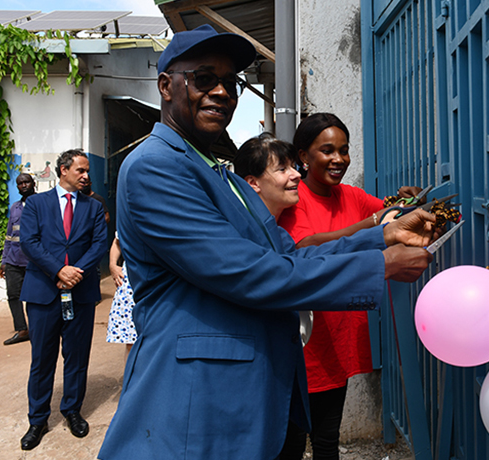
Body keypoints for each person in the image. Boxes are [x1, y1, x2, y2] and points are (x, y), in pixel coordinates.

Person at [97, 25, 435, 460]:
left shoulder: (219, 173)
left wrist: (381, 236)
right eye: (204, 78)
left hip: (246, 391)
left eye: (230, 82)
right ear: (166, 86)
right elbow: (248, 273)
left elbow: (287, 255)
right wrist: (381, 265)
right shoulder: (155, 168)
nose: (221, 92)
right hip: (197, 404)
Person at [279, 113, 416, 459]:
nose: (339, 159)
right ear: (303, 156)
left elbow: (388, 213)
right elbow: (304, 248)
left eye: (344, 150)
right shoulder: (292, 200)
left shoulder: (352, 196)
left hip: (336, 339)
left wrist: (405, 202)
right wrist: (373, 225)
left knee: (328, 439)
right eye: (327, 150)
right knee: (290, 443)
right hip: (301, 343)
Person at [18, 149, 108, 450]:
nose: (85, 175)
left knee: (77, 356)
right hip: (44, 293)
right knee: (42, 359)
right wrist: (58, 270)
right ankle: (38, 419)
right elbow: (29, 242)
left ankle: (72, 410)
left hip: (79, 293)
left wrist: (75, 272)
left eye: (87, 171)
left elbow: (99, 243)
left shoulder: (93, 207)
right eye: (80, 170)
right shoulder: (36, 204)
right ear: (63, 170)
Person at [0, 173, 36, 345]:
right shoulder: (15, 207)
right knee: (13, 295)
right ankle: (22, 330)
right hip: (14, 260)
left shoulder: (41, 203)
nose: (23, 185)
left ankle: (38, 328)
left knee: (34, 297)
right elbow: (9, 236)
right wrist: (4, 260)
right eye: (20, 183)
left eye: (26, 182)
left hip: (34, 260)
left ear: (33, 183)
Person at [106, 233, 136, 362]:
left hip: (159, 280)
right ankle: (131, 380)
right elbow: (117, 242)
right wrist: (113, 265)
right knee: (131, 341)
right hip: (131, 283)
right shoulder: (132, 214)